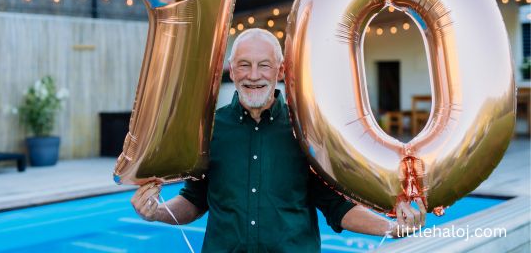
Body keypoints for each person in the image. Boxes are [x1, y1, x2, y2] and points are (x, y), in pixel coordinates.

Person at [131, 28, 425, 252]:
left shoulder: (307, 129)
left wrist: (391, 227)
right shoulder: (209, 130)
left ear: (280, 71)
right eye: (244, 65)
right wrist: (157, 211)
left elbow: (337, 206)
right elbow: (194, 202)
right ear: (231, 71)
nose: (254, 75)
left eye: (264, 65)